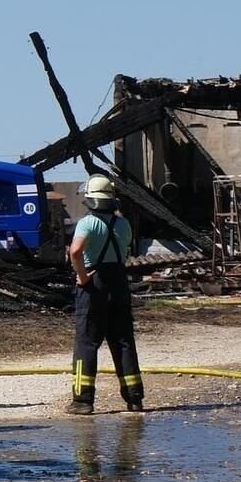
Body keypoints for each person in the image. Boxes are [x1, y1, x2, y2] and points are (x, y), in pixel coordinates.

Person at [67, 175, 144, 414]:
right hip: (119, 283)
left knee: (87, 342)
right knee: (123, 341)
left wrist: (81, 277)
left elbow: (76, 251)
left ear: (90, 200)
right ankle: (134, 398)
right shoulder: (124, 224)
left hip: (94, 285)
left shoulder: (87, 223)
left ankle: (82, 401)